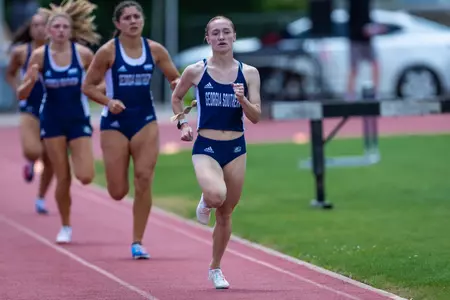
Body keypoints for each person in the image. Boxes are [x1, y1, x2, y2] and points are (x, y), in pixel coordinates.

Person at [81, 0, 181, 259]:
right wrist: (108, 101)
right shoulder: (107, 52)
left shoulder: (155, 50)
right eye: (127, 18)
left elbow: (176, 78)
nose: (133, 21)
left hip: (145, 120)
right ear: (118, 23)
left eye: (137, 16)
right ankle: (117, 179)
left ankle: (138, 241)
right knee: (117, 191)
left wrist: (180, 88)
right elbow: (88, 86)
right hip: (115, 123)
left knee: (145, 178)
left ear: (143, 20)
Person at [171, 15, 262, 289]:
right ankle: (205, 199)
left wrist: (243, 100)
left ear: (234, 36)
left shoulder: (249, 73)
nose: (221, 37)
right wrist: (183, 123)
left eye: (226, 32)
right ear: (207, 39)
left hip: (236, 147)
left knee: (225, 213)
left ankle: (215, 268)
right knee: (216, 195)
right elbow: (177, 98)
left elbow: (256, 116)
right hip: (206, 146)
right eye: (215, 33)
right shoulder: (195, 71)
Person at [17, 0, 101, 244]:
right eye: (57, 27)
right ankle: (65, 226)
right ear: (49, 31)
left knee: (85, 175)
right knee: (62, 176)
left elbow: (100, 82)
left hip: (78, 119)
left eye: (66, 27)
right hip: (52, 120)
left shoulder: (84, 55)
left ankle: (77, 159)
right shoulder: (40, 56)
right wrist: (30, 81)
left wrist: (102, 93)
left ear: (71, 30)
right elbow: (22, 94)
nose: (61, 31)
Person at [6, 12, 53, 214]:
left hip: (54, 109)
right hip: (30, 107)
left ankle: (41, 198)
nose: (39, 29)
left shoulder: (60, 51)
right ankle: (32, 161)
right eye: (35, 25)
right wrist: (19, 89)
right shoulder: (21, 53)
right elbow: (10, 73)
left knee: (51, 159)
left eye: (43, 25)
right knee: (33, 151)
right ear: (30, 29)